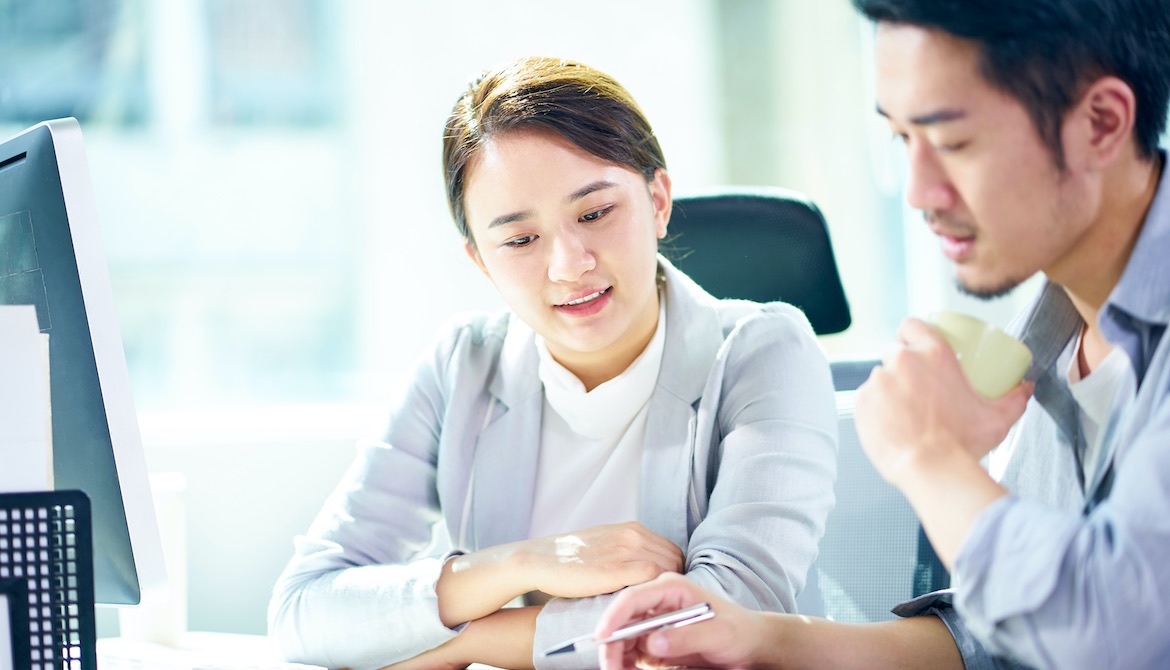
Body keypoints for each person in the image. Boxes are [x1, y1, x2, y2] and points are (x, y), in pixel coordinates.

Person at [594, 0, 1170, 668]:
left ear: (1100, 123)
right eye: (901, 140)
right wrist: (756, 637)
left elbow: (1116, 636)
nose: (919, 191)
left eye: (953, 143)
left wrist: (929, 457)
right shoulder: (1055, 332)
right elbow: (996, 642)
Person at [266, 56, 838, 670]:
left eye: (594, 214)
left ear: (658, 201)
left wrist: (472, 639)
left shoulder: (766, 351)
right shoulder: (462, 365)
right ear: (481, 260)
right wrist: (526, 561)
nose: (569, 264)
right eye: (519, 240)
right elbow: (304, 610)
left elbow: (720, 617)